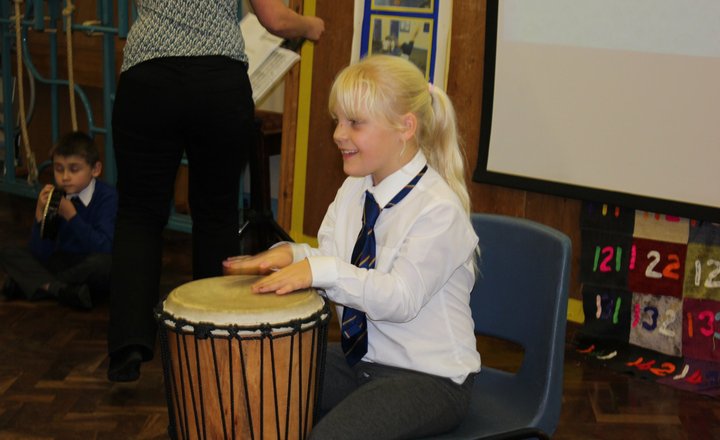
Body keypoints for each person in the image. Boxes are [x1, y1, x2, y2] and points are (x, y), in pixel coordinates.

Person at [223, 55, 481, 439]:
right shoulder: (356, 187)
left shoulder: (439, 210)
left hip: (430, 378)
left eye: (355, 123)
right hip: (359, 362)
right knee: (249, 387)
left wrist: (318, 269)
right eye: (338, 121)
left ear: (405, 127)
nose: (338, 134)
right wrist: (292, 255)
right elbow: (334, 262)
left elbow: (400, 298)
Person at [106, 0, 325, 382]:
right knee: (216, 214)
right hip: (217, 82)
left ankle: (129, 344)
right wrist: (311, 26)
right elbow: (274, 18)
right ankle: (210, 338)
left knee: (139, 214)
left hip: (147, 79)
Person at [0, 131, 117, 310]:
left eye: (74, 169)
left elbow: (104, 247)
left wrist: (72, 216)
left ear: (95, 169)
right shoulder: (56, 194)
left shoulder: (107, 197)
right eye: (58, 168)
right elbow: (41, 253)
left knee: (106, 265)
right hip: (61, 261)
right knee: (8, 252)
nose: (65, 177)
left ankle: (34, 284)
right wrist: (40, 216)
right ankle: (59, 290)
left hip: (90, 260)